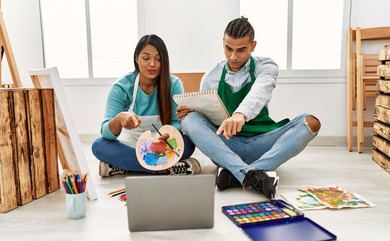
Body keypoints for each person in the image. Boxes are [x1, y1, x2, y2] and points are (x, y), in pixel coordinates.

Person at [176, 17, 321, 199]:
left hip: (262, 143)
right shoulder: (210, 77)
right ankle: (254, 175)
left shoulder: (266, 66)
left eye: (241, 50)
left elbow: (260, 91)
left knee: (310, 122)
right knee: (190, 119)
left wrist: (240, 114)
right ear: (223, 43)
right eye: (228, 49)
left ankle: (237, 173)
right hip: (228, 145)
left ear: (252, 46)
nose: (233, 57)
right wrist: (194, 111)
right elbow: (207, 120)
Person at [92, 34, 200, 177]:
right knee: (99, 145)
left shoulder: (173, 84)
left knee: (189, 143)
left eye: (158, 59)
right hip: (131, 144)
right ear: (137, 58)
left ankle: (125, 166)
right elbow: (106, 132)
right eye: (146, 58)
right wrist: (119, 119)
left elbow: (176, 122)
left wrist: (170, 133)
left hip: (161, 143)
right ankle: (163, 167)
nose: (152, 64)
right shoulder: (121, 88)